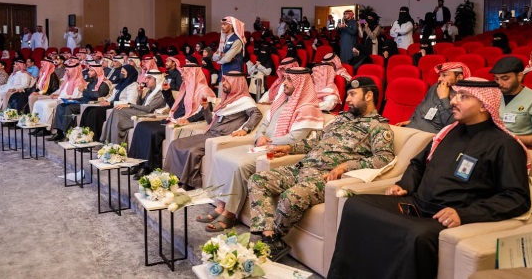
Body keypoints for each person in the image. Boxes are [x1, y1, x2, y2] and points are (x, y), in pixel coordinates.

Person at [328, 78, 532, 279]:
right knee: (355, 205)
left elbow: (516, 197)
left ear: (484, 105)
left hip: (446, 215)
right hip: (417, 204)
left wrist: (465, 214)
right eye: (455, 95)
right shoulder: (448, 133)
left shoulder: (504, 145)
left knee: (417, 234)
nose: (453, 101)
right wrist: (404, 185)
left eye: (463, 97)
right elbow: (418, 164)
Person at [249, 76, 395, 261]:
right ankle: (270, 237)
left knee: (291, 196)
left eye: (352, 94)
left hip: (323, 177)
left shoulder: (379, 127)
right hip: (302, 167)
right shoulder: (341, 119)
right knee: (257, 179)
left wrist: (346, 166)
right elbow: (316, 141)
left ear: (368, 96)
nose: (347, 99)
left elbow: (384, 158)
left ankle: (270, 239)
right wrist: (290, 148)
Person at [204, 67, 324, 233]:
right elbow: (264, 124)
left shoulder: (308, 108)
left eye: (289, 80)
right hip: (261, 145)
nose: (285, 83)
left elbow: (295, 138)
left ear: (301, 84)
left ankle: (230, 213)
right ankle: (220, 204)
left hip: (277, 150)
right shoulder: (281, 101)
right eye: (285, 78)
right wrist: (259, 137)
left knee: (241, 165)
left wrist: (269, 142)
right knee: (220, 155)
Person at [164, 71, 262, 189]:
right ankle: (170, 179)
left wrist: (245, 129)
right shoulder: (226, 101)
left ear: (236, 83)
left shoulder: (245, 101)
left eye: (227, 81)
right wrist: (206, 108)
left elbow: (257, 114)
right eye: (223, 80)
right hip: (210, 133)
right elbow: (210, 121)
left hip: (220, 137)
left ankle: (187, 184)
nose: (223, 83)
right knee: (175, 143)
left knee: (192, 151)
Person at [128, 64, 215, 179]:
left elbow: (204, 112)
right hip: (172, 118)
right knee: (141, 125)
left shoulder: (204, 90)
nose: (182, 75)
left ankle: (148, 167)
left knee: (153, 132)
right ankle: (138, 163)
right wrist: (167, 92)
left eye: (185, 73)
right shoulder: (185, 88)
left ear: (193, 74)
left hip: (181, 122)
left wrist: (187, 120)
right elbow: (174, 106)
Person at [490, 56, 532, 148]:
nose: (500, 83)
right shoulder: (492, 96)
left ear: (519, 76)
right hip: (492, 145)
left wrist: (513, 139)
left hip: (520, 148)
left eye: (505, 78)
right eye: (496, 79)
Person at [396, 62, 470, 133]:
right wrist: (411, 120)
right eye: (439, 75)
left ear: (459, 77)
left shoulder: (464, 96)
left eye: (444, 75)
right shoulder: (436, 86)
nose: (439, 79)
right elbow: (422, 105)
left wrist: (443, 98)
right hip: (413, 126)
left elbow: (451, 124)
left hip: (431, 134)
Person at [103, 70, 167, 146]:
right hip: (142, 111)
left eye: (149, 78)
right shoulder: (150, 91)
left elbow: (149, 109)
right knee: (116, 110)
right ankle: (110, 143)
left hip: (149, 115)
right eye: (146, 78)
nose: (146, 81)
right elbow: (140, 104)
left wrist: (130, 105)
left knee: (118, 111)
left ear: (157, 79)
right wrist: (140, 95)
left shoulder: (160, 93)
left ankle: (115, 144)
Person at [50, 63, 110, 142]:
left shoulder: (104, 84)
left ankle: (68, 134)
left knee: (69, 108)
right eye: (89, 70)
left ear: (97, 72)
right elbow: (86, 96)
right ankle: (59, 132)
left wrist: (84, 90)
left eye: (91, 71)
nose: (88, 72)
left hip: (90, 104)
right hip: (83, 101)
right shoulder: (91, 83)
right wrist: (74, 99)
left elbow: (98, 95)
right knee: (61, 106)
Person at [79, 64, 139, 141]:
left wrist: (111, 103)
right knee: (88, 110)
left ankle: (94, 138)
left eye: (123, 72)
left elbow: (130, 102)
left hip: (119, 106)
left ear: (129, 74)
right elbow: (113, 96)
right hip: (112, 104)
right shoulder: (121, 83)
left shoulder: (133, 85)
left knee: (95, 112)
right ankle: (83, 135)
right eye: (121, 71)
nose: (121, 73)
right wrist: (106, 100)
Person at [32, 62, 85, 134]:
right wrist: (55, 94)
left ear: (73, 71)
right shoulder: (67, 80)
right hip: (58, 98)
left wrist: (59, 96)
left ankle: (46, 128)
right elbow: (60, 90)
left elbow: (75, 97)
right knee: (37, 103)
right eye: (66, 70)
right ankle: (38, 126)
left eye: (68, 70)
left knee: (46, 105)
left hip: (64, 100)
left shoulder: (79, 82)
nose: (66, 72)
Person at [213, 17, 246, 83]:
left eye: (224, 24)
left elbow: (227, 59)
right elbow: (214, 57)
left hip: (233, 72)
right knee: (221, 89)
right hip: (223, 71)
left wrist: (219, 59)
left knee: (232, 89)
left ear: (231, 26)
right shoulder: (224, 40)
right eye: (222, 24)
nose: (222, 26)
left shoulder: (237, 40)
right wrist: (221, 56)